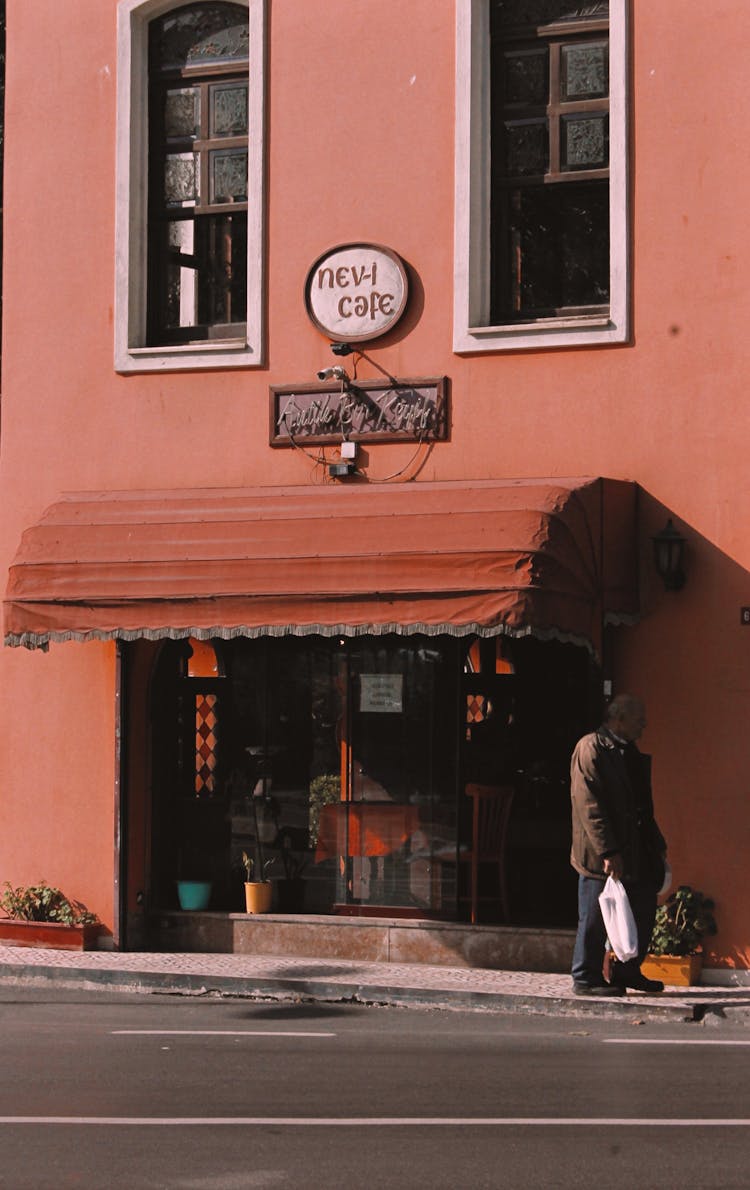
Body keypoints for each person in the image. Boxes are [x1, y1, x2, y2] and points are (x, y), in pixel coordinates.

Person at [569, 693, 668, 996]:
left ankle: (627, 971)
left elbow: (640, 804)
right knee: (596, 915)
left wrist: (656, 843)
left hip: (636, 848)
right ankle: (586, 976)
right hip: (602, 853)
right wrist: (607, 851)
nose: (645, 725)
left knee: (642, 907)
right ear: (619, 718)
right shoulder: (591, 747)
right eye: (639, 719)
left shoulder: (629, 751)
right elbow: (589, 806)